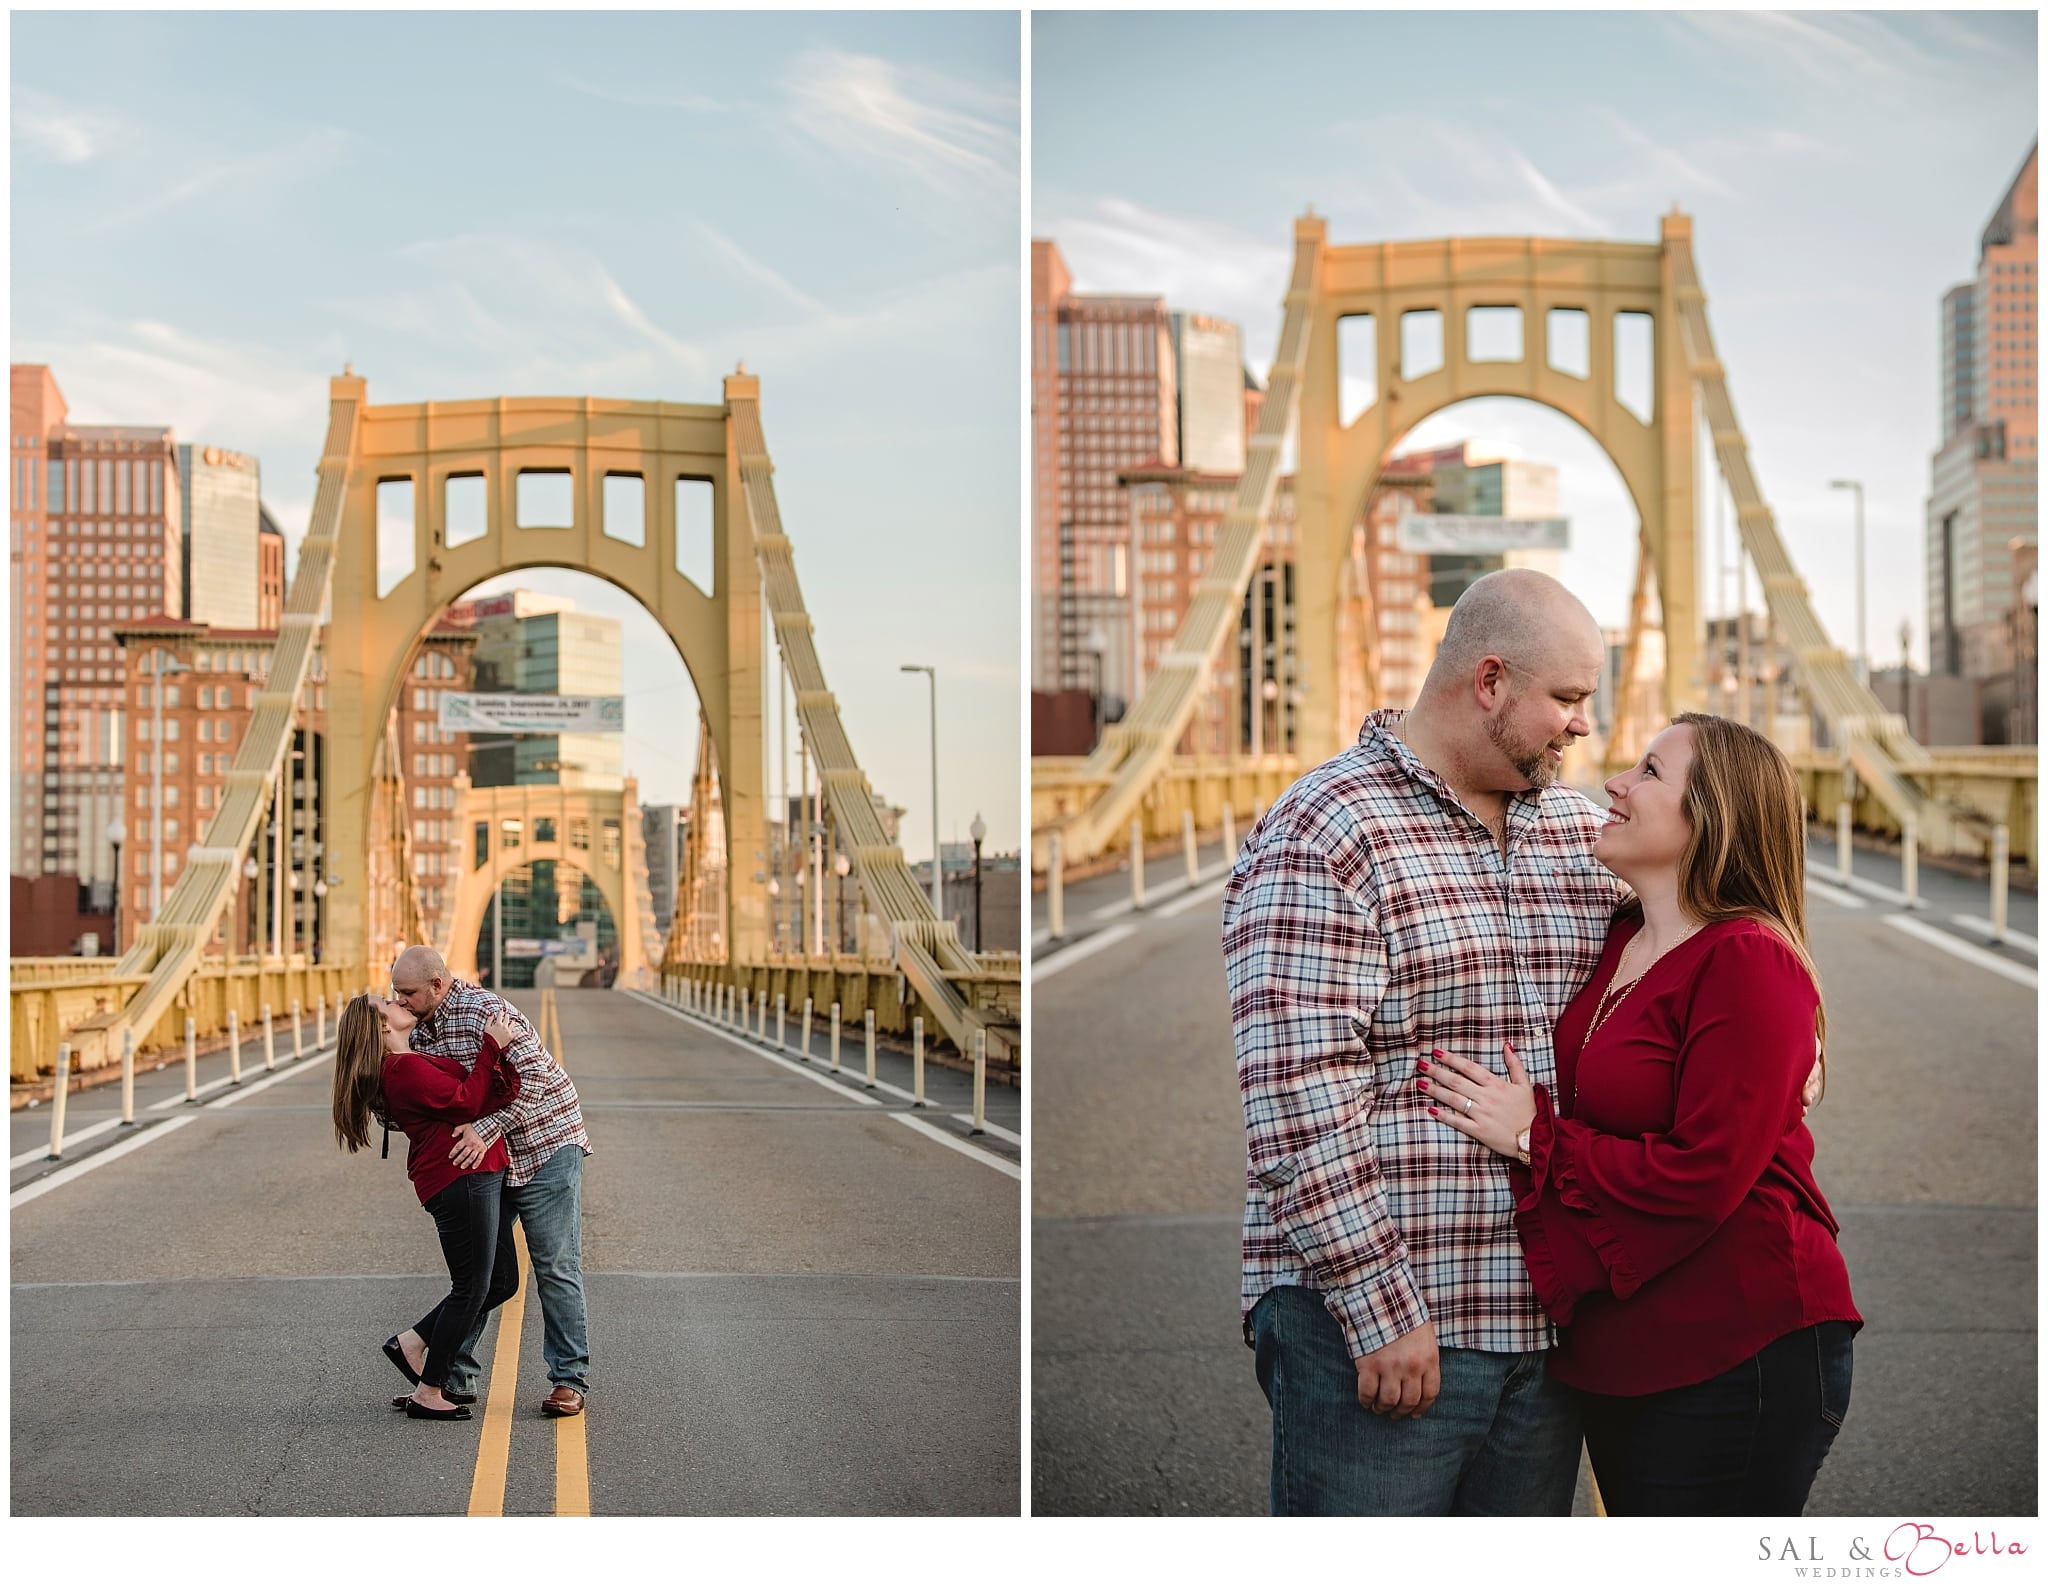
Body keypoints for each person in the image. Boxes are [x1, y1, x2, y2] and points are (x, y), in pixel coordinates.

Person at [1223, 567, 1623, 1516]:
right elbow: (1296, 1093)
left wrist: (1795, 1019)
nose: (1582, 727)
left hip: (1547, 1334)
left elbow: (1701, 942)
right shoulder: (1326, 830)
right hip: (1386, 1333)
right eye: (1566, 700)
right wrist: (1377, 1308)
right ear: (1490, 682)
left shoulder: (1579, 834)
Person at [1418, 712, 1860, 1514]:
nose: (1614, 783)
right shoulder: (1618, 933)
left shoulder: (1750, 962)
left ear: (1712, 817)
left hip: (1738, 1348)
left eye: (1650, 773)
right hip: (1629, 1350)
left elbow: (1701, 1174)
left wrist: (1530, 1134)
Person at [390, 945, 593, 1417]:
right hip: (488, 1161)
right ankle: (452, 1378)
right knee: (482, 1274)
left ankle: (568, 1379)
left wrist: (484, 1129)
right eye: (394, 994)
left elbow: (536, 1081)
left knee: (555, 1265)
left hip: (545, 1143)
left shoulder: (487, 1011)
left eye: (407, 993)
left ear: (438, 985)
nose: (399, 1002)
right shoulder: (415, 1029)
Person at [332, 995, 523, 1420]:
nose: (396, 1001)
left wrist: (499, 1057)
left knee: (502, 1281)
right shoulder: (402, 1070)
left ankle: (413, 1342)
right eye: (387, 1002)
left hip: (477, 1174)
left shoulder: (417, 1060)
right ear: (383, 1026)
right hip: (457, 1179)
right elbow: (466, 1103)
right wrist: (492, 1045)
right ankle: (429, 1390)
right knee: (471, 1287)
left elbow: (487, 1093)